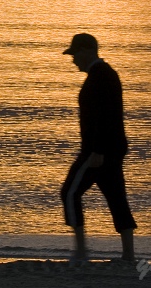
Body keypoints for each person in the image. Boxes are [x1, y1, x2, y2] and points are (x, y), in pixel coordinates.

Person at [59, 33, 137, 262]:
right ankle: (128, 254)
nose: (73, 61)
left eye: (75, 55)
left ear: (86, 52)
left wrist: (97, 151)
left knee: (70, 192)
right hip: (109, 149)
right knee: (116, 197)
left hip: (98, 151)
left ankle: (81, 251)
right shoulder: (104, 75)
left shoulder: (101, 76)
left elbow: (106, 117)